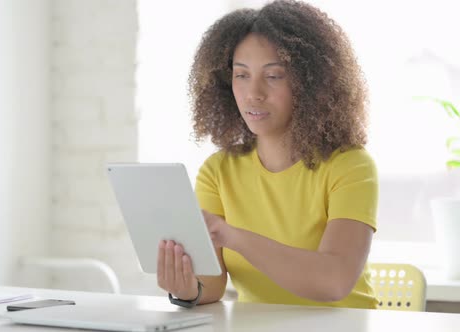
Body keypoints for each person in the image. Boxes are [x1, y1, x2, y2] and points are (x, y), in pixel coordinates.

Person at [157, 0, 379, 309]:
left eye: (273, 76)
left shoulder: (350, 165)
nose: (253, 93)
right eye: (241, 75)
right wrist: (186, 289)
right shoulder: (217, 171)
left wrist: (233, 237)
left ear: (309, 83)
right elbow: (212, 285)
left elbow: (335, 280)